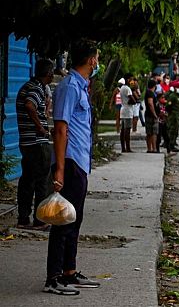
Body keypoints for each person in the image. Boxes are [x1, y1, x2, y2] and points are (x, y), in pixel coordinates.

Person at [45, 40, 101, 295]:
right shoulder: (69, 87)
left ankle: (69, 271)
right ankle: (53, 277)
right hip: (68, 161)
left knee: (74, 218)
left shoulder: (80, 86)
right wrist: (59, 169)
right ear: (91, 60)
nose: (97, 63)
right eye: (96, 58)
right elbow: (60, 128)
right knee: (62, 221)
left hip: (79, 161)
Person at [16, 59, 55, 230]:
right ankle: (40, 220)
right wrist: (40, 127)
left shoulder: (27, 86)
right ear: (48, 74)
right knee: (42, 182)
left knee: (27, 180)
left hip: (27, 142)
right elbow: (30, 105)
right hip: (37, 142)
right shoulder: (36, 88)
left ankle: (23, 218)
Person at [118, 77, 134, 153]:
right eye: (131, 80)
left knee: (122, 130)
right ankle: (128, 147)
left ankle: (123, 148)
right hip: (128, 111)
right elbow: (132, 99)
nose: (132, 81)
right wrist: (134, 100)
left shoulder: (122, 88)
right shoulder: (127, 89)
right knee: (127, 130)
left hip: (123, 109)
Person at [144, 79, 159, 153]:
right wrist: (155, 114)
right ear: (154, 86)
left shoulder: (148, 92)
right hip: (151, 115)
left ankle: (149, 148)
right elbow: (150, 103)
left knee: (149, 133)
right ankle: (154, 148)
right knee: (153, 132)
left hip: (148, 114)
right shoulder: (150, 93)